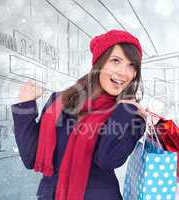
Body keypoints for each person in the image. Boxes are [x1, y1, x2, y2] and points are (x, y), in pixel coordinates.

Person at [11, 30, 147, 200]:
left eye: (131, 65)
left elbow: (107, 159)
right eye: (116, 61)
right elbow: (30, 158)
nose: (123, 72)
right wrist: (25, 106)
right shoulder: (58, 102)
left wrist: (122, 113)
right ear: (99, 63)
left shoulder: (131, 117)